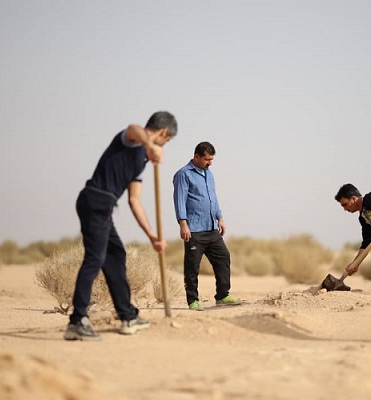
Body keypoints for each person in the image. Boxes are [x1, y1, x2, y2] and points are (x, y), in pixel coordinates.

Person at [64, 111, 177, 341]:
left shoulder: (141, 161)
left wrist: (152, 236)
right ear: (163, 133)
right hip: (95, 199)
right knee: (95, 258)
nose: (164, 146)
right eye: (166, 141)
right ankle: (77, 320)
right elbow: (133, 127)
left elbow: (134, 201)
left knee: (115, 255)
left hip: (104, 207)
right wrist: (150, 145)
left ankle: (128, 316)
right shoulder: (131, 140)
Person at [173, 141, 241, 311]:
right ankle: (193, 301)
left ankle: (223, 295)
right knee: (192, 267)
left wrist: (220, 217)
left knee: (223, 257)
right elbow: (179, 200)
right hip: (194, 229)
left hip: (211, 227)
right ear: (196, 156)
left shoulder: (209, 174)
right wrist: (183, 223)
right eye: (206, 159)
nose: (210, 163)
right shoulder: (183, 174)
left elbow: (213, 197)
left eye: (211, 159)